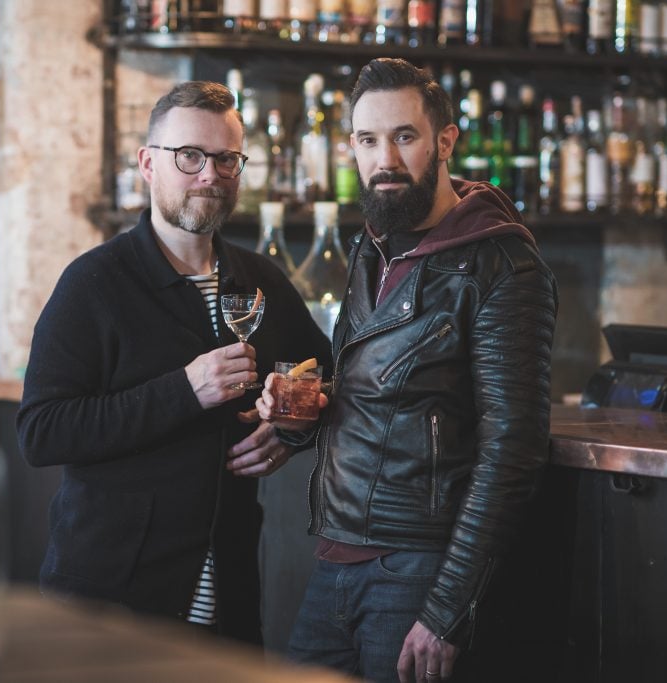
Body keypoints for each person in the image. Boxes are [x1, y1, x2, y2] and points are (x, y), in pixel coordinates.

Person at [256, 58, 558, 682]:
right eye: (368, 140)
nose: (384, 160)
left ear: (445, 141)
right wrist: (301, 414)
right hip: (334, 559)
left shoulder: (502, 263)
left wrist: (448, 608)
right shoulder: (373, 245)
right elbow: (378, 392)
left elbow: (514, 448)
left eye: (404, 137)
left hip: (418, 570)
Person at [16, 80, 331, 645]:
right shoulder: (94, 283)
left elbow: (327, 376)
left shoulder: (261, 281)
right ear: (148, 164)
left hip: (230, 601)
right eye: (189, 156)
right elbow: (42, 432)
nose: (210, 174)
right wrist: (184, 389)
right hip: (110, 606)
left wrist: (292, 431)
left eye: (227, 159)